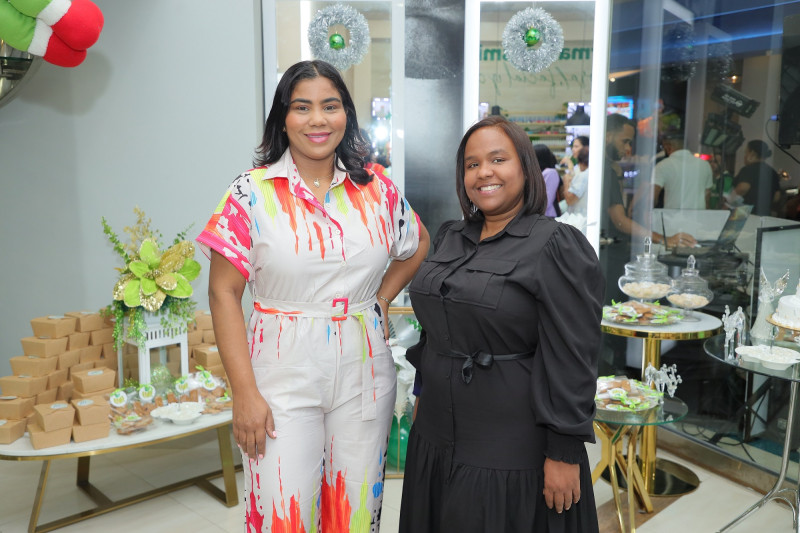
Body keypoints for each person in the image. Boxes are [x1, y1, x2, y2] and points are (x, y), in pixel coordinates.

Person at [197, 60, 430, 532]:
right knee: (284, 511)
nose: (318, 120)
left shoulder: (376, 188)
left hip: (366, 366)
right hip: (282, 365)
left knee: (356, 511)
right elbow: (223, 292)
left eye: (330, 106)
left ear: (347, 114)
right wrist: (244, 393)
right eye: (302, 107)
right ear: (283, 117)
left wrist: (381, 300)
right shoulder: (250, 192)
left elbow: (418, 243)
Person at [399, 116, 603, 532]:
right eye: (472, 164)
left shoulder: (555, 244)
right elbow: (435, 327)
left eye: (498, 159)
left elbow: (573, 355)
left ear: (526, 168)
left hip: (509, 446)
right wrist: (422, 389)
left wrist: (563, 452)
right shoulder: (451, 235)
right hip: (435, 433)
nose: (484, 172)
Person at [628, 132, 713, 212]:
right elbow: (707, 198)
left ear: (668, 146)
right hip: (697, 219)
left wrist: (641, 213)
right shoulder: (705, 165)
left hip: (672, 221)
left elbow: (652, 197)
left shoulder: (663, 164)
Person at [728, 139, 781, 216]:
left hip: (746, 214)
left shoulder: (748, 169)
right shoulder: (772, 172)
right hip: (765, 214)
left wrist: (728, 203)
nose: (745, 156)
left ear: (752, 153)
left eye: (746, 152)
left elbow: (742, 188)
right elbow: (777, 197)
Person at [534, 143, 562, 217]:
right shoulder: (538, 173)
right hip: (538, 216)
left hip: (547, 216)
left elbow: (547, 201)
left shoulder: (550, 173)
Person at [564, 146, 590, 217]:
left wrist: (566, 182)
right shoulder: (594, 175)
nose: (573, 149)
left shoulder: (583, 176)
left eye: (576, 146)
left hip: (579, 220)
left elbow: (570, 200)